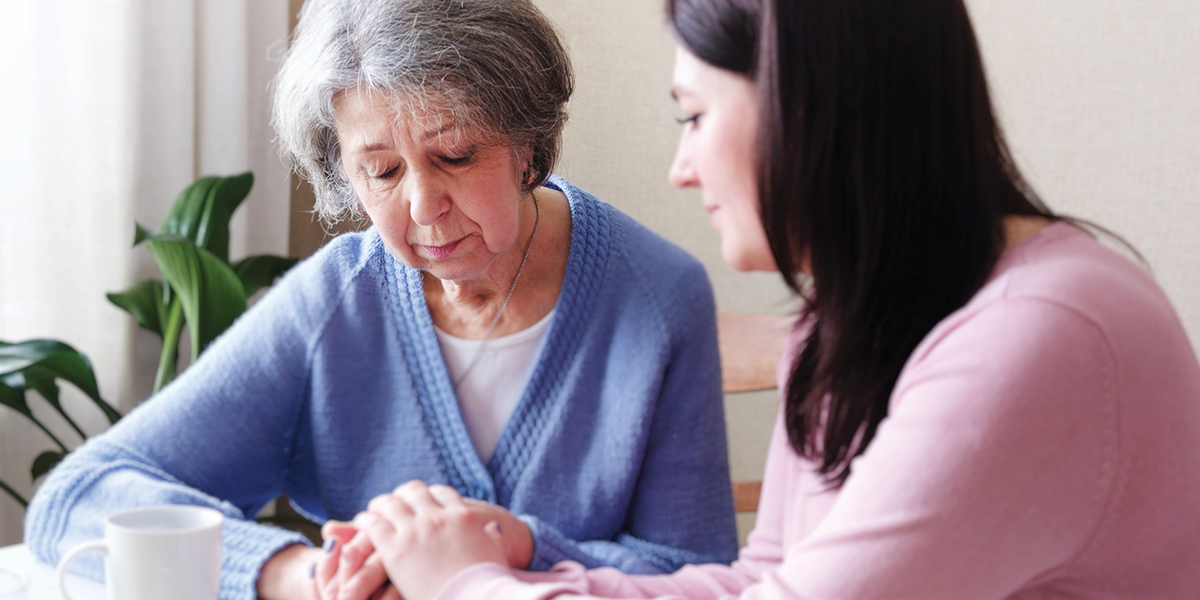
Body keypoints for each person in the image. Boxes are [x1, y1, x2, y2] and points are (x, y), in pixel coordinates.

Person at [314, 0, 1200, 598]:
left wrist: (465, 585)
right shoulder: (851, 316)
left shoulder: (1046, 335)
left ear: (807, 105)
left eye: (693, 116)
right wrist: (527, 560)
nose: (680, 166)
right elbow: (764, 577)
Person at [23, 1, 740, 599]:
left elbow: (700, 579)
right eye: (382, 171)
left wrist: (498, 555)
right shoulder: (335, 304)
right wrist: (303, 574)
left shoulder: (658, 298)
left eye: (454, 155)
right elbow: (78, 496)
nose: (424, 207)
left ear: (528, 140)